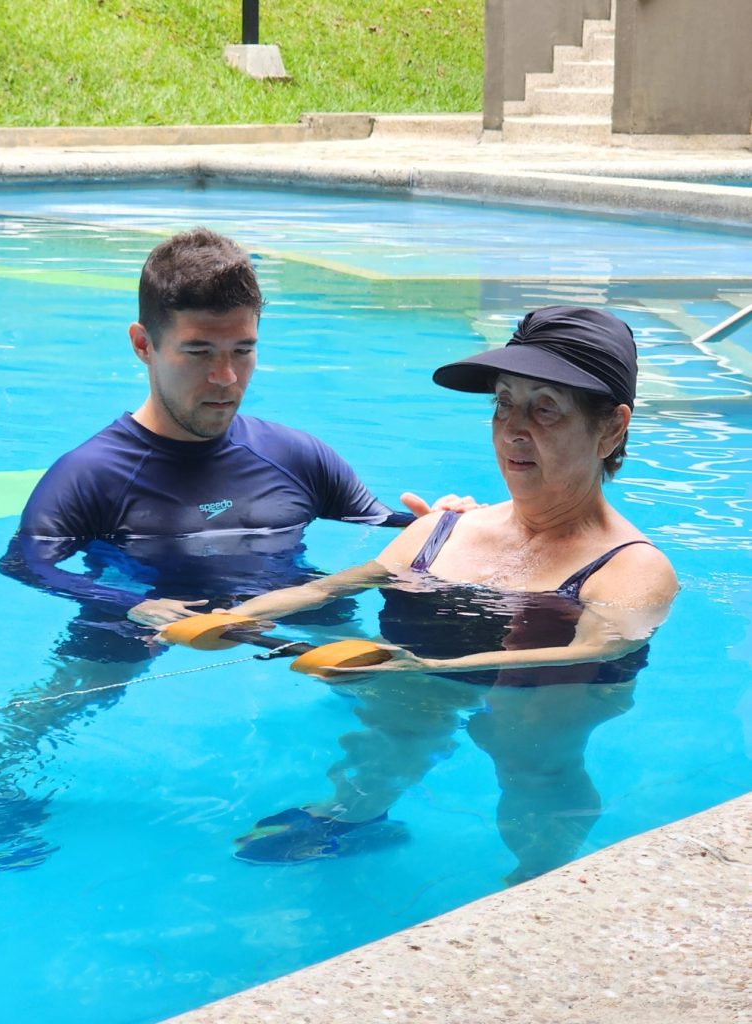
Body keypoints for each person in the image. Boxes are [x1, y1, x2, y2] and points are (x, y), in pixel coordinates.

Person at [0, 227, 468, 872]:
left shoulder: (293, 453)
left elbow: (381, 520)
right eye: (198, 352)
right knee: (43, 711)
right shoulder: (93, 472)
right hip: (144, 613)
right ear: (144, 345)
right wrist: (133, 607)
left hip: (294, 603)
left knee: (424, 699)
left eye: (243, 350)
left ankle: (351, 817)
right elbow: (27, 561)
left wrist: (440, 524)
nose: (225, 378)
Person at [216, 306, 679, 876]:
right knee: (398, 716)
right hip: (425, 660)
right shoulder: (442, 531)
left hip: (547, 684)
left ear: (610, 428)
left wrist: (419, 664)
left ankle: (542, 876)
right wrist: (227, 618)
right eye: (504, 403)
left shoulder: (630, 568)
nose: (513, 429)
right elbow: (342, 584)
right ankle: (353, 818)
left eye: (545, 409)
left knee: (528, 756)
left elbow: (597, 650)